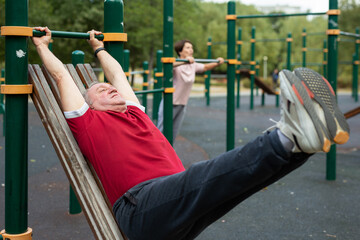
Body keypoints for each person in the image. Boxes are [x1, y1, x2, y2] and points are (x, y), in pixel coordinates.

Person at [32, 27, 350, 240]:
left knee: (242, 184)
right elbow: (62, 76)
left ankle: (299, 145)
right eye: (101, 90)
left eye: (111, 88)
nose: (111, 90)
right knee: (205, 175)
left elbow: (116, 73)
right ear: (89, 105)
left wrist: (99, 47)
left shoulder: (134, 111)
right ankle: (286, 135)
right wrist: (42, 47)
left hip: (172, 209)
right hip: (141, 206)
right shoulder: (87, 122)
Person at [157, 39, 225, 143]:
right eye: (188, 48)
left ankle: (167, 157)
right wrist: (184, 61)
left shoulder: (192, 65)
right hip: (170, 103)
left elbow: (205, 67)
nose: (191, 50)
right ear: (180, 51)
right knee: (161, 132)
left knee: (174, 134)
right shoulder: (175, 64)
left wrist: (217, 62)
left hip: (182, 104)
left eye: (191, 48)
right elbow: (168, 65)